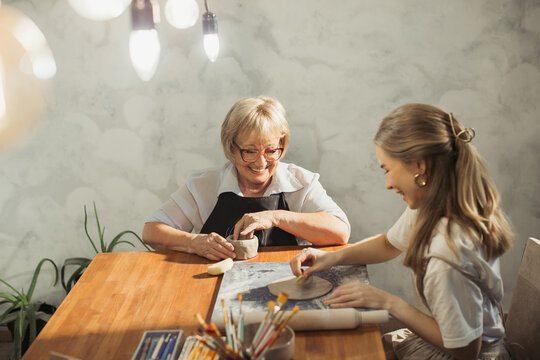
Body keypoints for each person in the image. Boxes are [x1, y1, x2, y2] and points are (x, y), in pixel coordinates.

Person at [290, 104, 514, 359]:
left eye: (387, 169)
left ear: (420, 166)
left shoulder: (447, 255)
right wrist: (331, 257)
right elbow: (388, 243)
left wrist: (388, 302)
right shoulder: (432, 206)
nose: (387, 184)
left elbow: (464, 350)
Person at [143, 96, 350, 260]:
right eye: (249, 152)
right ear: (232, 148)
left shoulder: (301, 182)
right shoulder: (204, 185)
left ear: (282, 145)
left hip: (287, 288)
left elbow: (340, 231)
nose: (261, 163)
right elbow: (152, 231)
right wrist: (193, 243)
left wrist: (274, 217)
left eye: (270, 150)